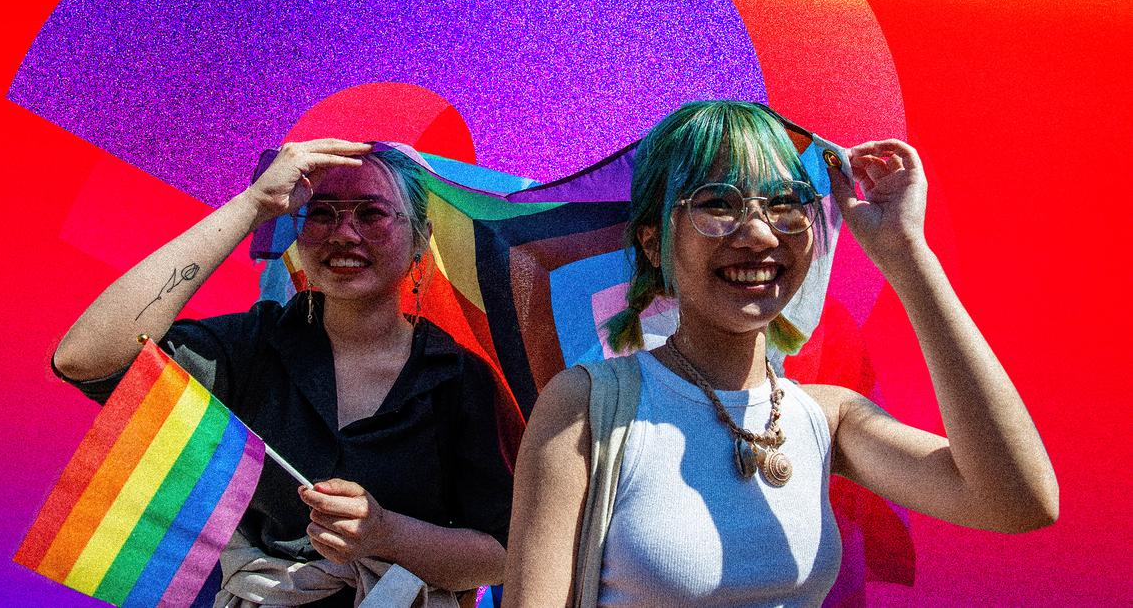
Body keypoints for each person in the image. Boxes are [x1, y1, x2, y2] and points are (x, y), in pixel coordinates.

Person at [502, 101, 1058, 607]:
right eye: (718, 204)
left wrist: (907, 255)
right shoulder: (587, 407)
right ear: (653, 242)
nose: (761, 235)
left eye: (786, 204)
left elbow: (1017, 501)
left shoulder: (827, 419)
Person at [52, 139, 512, 607]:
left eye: (371, 213)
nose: (344, 234)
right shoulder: (251, 347)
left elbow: (497, 557)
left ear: (419, 238)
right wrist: (253, 205)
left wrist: (384, 533)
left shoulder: (458, 377)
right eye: (321, 213)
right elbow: (85, 358)